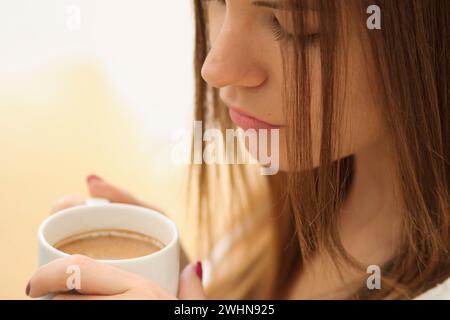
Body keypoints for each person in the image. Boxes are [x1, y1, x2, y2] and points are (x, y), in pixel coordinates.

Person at [26, 0, 449, 299]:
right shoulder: (275, 218)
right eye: (217, 1)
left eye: (292, 23)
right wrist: (179, 281)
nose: (215, 67)